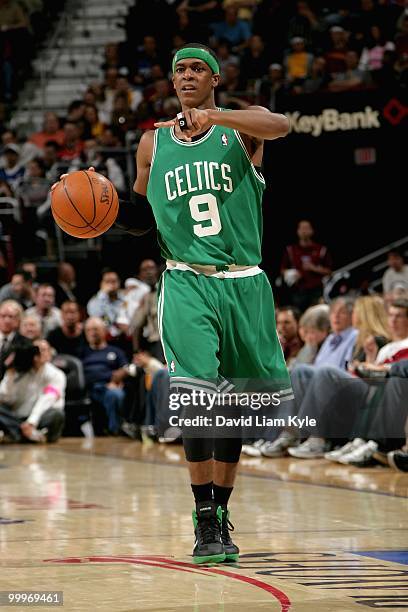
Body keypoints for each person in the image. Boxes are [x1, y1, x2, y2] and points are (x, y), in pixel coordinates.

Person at [54, 42, 292, 565]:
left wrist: (216, 114)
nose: (185, 75)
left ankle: (221, 512)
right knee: (199, 395)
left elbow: (280, 124)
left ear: (214, 78)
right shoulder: (152, 144)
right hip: (186, 280)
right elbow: (143, 216)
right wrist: (101, 206)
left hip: (244, 281)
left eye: (196, 69)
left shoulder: (240, 128)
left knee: (235, 405)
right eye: (179, 68)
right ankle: (204, 516)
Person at [0, 339, 66, 443]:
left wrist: (31, 422)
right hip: (17, 418)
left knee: (57, 414)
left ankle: (17, 434)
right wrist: (10, 375)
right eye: (36, 351)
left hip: (40, 418)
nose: (39, 354)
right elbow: (6, 398)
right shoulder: (19, 371)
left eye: (44, 350)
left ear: (50, 353)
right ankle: (27, 435)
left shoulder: (57, 375)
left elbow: (48, 399)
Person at [281, 219, 332, 312]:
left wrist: (314, 268)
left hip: (316, 291)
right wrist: (291, 274)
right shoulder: (290, 250)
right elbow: (282, 270)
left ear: (312, 231)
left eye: (307, 228)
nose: (304, 231)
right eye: (301, 228)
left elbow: (329, 271)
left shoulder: (321, 249)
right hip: (297, 291)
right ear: (297, 231)